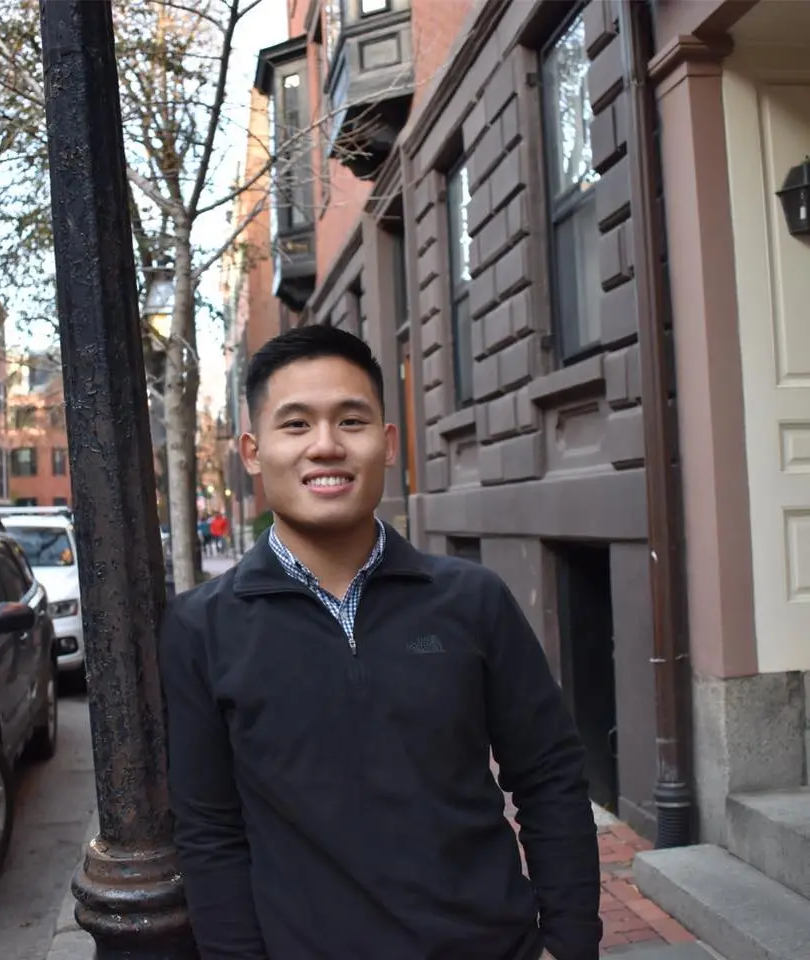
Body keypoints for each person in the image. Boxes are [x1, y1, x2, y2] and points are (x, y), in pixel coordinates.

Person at [159, 325, 601, 960]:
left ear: (388, 444)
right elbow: (210, 833)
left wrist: (569, 943)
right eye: (296, 424)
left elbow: (550, 775)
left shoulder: (472, 600)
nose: (326, 446)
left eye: (351, 421)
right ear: (253, 452)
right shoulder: (200, 628)